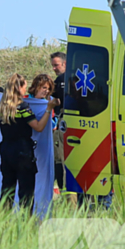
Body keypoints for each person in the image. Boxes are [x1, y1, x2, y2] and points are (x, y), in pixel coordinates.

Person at [0, 73, 60, 211]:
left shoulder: (2, 106)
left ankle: (0, 223)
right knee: (26, 192)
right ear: (19, 88)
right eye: (24, 87)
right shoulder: (23, 107)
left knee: (7, 190)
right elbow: (39, 127)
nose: (25, 90)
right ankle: (26, 224)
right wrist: (48, 109)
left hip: (5, 151)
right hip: (22, 152)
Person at [50, 51, 67, 193]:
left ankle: (63, 189)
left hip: (63, 122)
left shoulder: (60, 80)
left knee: (59, 158)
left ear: (65, 64)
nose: (54, 69)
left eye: (56, 65)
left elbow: (53, 101)